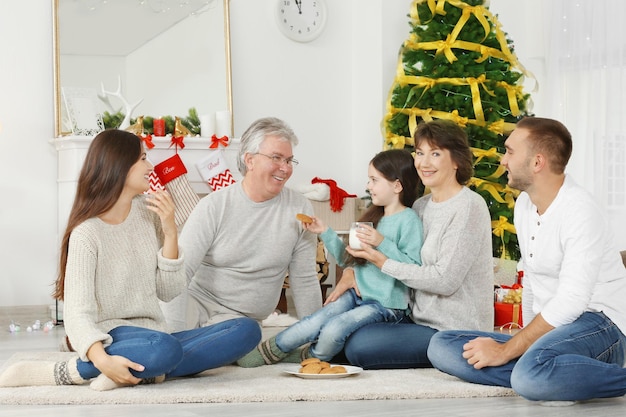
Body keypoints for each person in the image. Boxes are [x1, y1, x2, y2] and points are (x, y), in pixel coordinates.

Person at [0, 130, 260, 391]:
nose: (150, 167)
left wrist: (170, 231)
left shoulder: (149, 214)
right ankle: (72, 371)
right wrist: (102, 358)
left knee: (247, 330)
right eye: (143, 159)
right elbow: (77, 314)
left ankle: (140, 371)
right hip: (112, 336)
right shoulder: (86, 233)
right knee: (165, 349)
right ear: (119, 165)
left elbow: (169, 291)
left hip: (155, 334)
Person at [427, 117, 626, 403]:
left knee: (527, 374)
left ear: (537, 162)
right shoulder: (524, 204)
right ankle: (551, 374)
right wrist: (525, 340)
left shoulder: (580, 210)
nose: (503, 159)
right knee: (442, 345)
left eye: (509, 151)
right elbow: (532, 277)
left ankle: (543, 375)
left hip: (601, 325)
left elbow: (572, 301)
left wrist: (508, 351)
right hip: (554, 328)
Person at [237, 149, 424, 367]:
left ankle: (311, 355)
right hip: (356, 294)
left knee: (335, 329)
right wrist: (324, 231)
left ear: (397, 186)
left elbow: (413, 268)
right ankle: (269, 350)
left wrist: (381, 242)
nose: (368, 186)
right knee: (314, 321)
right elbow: (347, 260)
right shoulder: (374, 217)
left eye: (374, 180)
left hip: (387, 306)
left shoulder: (409, 221)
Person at [333, 119, 495, 369]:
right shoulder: (420, 206)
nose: (423, 162)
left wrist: (383, 262)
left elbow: (444, 280)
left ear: (456, 161)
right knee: (344, 328)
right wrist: (352, 271)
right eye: (419, 153)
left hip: (451, 329)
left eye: (435, 153)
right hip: (413, 319)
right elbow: (402, 255)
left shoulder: (469, 206)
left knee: (359, 346)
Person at [177, 117, 322, 329]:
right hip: (197, 309)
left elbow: (305, 280)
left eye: (289, 160)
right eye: (276, 157)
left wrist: (317, 333)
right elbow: (180, 274)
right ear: (249, 160)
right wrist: (174, 330)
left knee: (246, 333)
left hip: (241, 325)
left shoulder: (300, 208)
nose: (285, 168)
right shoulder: (213, 206)